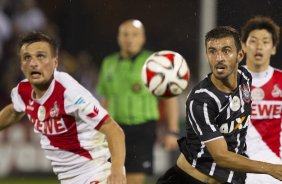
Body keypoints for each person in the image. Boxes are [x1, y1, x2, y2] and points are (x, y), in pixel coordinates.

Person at [157, 26, 282, 184]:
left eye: (226, 50)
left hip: (230, 178)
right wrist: (272, 168)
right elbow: (221, 156)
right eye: (212, 51)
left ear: (240, 55)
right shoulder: (201, 100)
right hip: (189, 179)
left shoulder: (245, 79)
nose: (219, 58)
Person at [0, 31, 126, 184]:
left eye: (40, 56)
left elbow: (112, 129)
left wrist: (117, 170)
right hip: (67, 179)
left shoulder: (69, 92)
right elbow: (14, 111)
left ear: (55, 62)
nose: (33, 63)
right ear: (21, 65)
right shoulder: (22, 91)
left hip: (95, 173)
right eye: (27, 57)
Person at [96, 19, 179, 184]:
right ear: (119, 38)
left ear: (143, 38)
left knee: (134, 179)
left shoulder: (154, 63)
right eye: (125, 34)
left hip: (142, 129)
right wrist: (98, 130)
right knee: (111, 178)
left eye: (134, 35)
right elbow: (104, 99)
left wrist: (173, 130)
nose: (129, 39)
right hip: (113, 129)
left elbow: (169, 97)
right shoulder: (108, 63)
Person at [241, 15, 282, 184]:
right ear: (243, 46)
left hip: (275, 166)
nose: (259, 47)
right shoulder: (229, 81)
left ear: (273, 48)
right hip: (240, 165)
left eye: (265, 42)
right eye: (253, 41)